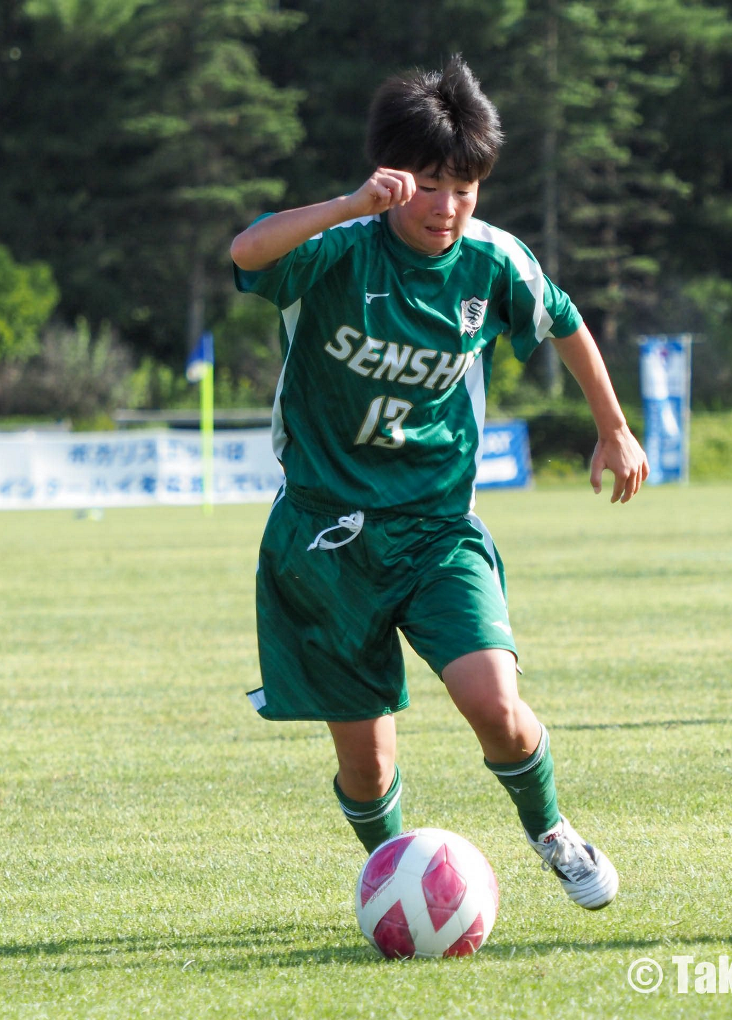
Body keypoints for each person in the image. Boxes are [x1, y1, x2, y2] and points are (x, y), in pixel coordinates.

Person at [230, 56, 648, 910]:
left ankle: (553, 831)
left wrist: (614, 428)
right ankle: (397, 880)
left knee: (494, 704)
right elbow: (245, 251)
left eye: (466, 188)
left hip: (436, 528)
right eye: (429, 186)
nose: (448, 207)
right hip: (324, 536)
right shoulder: (335, 250)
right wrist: (350, 204)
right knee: (367, 762)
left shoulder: (493, 261)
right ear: (392, 178)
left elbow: (564, 323)